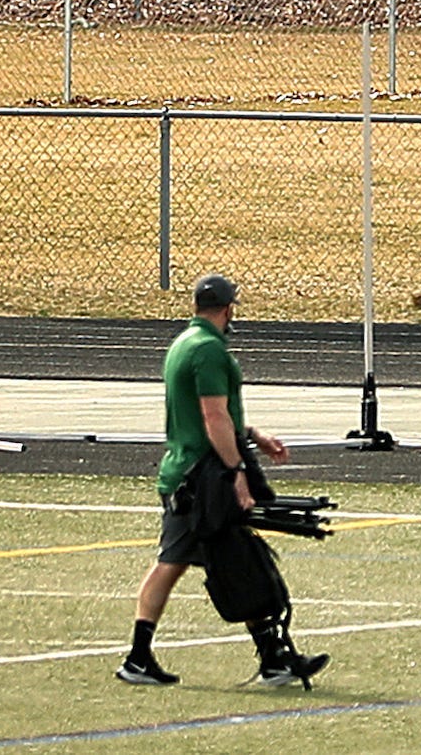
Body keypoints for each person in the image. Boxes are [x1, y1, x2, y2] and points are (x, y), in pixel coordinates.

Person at [118, 272, 328, 689]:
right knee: (187, 562)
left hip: (185, 471)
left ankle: (272, 658)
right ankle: (138, 657)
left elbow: (214, 416)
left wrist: (253, 435)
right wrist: (238, 475)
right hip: (200, 480)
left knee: (233, 560)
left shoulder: (184, 343)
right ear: (229, 309)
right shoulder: (211, 351)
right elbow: (214, 418)